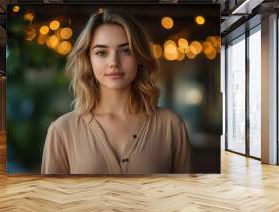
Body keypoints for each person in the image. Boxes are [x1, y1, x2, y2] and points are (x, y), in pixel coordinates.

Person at [41, 8, 191, 174]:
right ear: (88, 59)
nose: (114, 62)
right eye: (101, 52)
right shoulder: (62, 130)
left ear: (140, 58)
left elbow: (184, 197)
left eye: (126, 50)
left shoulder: (171, 126)